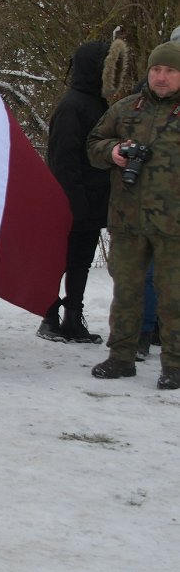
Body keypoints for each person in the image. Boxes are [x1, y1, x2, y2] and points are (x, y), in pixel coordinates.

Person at [87, 38, 180, 390]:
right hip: (127, 220)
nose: (161, 77)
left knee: (174, 297)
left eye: (170, 70)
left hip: (174, 224)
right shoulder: (127, 108)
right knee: (126, 292)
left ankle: (174, 364)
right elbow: (93, 143)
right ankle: (121, 357)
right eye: (156, 69)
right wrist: (113, 152)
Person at [36, 40, 110, 344]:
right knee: (60, 261)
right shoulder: (72, 106)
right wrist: (75, 203)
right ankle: (49, 318)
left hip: (92, 200)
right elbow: (63, 161)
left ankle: (72, 319)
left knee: (80, 263)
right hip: (72, 202)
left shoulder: (96, 103)